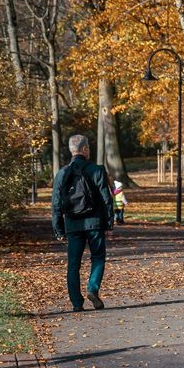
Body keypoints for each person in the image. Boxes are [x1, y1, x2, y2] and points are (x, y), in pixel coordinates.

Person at [52, 134, 114, 312]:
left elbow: (56, 203)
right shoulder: (97, 170)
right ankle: (92, 288)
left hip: (72, 224)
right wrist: (109, 223)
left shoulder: (62, 173)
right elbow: (105, 199)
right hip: (95, 223)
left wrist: (58, 229)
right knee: (98, 258)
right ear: (85, 149)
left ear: (72, 151)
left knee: (73, 264)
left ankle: (77, 303)